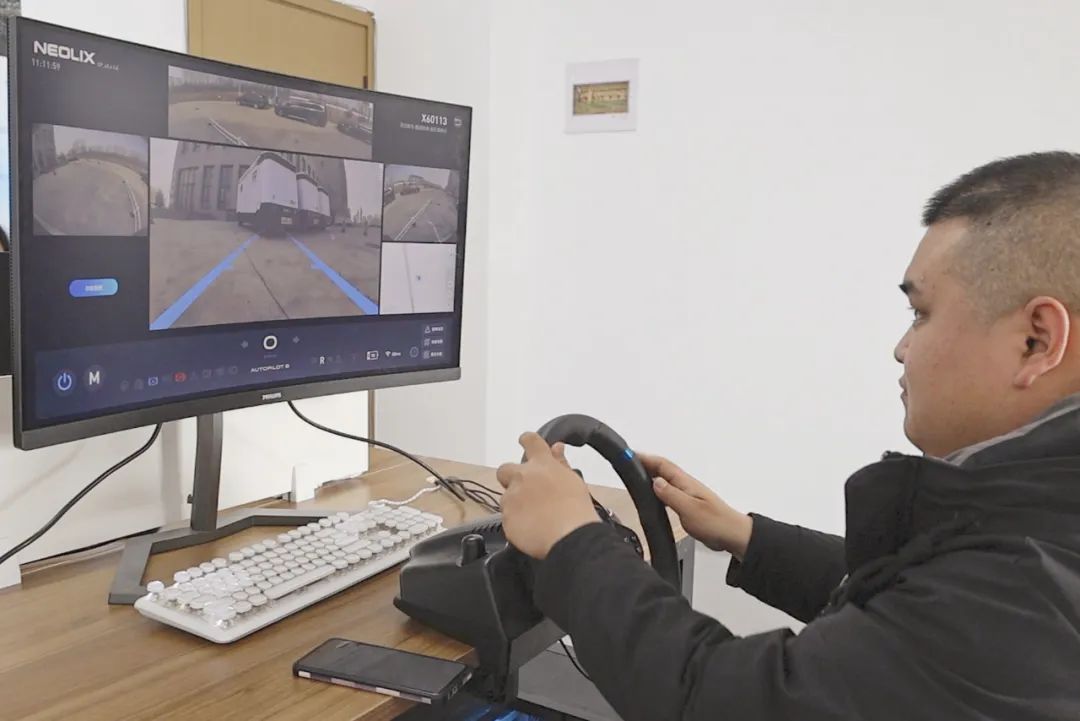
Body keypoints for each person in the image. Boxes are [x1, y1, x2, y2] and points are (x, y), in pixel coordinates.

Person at [496, 152, 1080, 720]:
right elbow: (906, 610)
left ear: (1037, 341)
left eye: (921, 314)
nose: (902, 348)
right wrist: (748, 537)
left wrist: (573, 541)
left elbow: (723, 701)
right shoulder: (1038, 527)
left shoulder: (1018, 591)